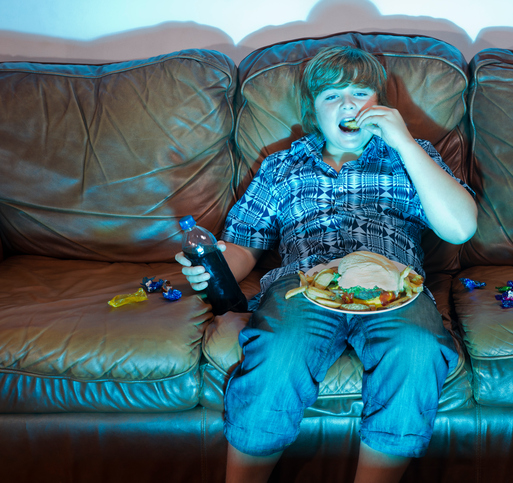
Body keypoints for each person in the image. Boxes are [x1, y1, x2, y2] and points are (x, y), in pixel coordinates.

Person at [176, 46, 478, 483]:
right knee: (278, 352)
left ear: (381, 104)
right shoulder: (283, 166)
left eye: (361, 92)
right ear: (314, 111)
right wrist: (217, 264)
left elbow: (460, 229)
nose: (349, 104)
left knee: (417, 349)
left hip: (393, 289)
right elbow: (243, 246)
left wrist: (404, 142)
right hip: (304, 287)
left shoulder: (411, 156)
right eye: (332, 96)